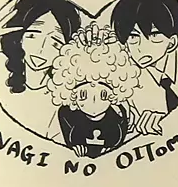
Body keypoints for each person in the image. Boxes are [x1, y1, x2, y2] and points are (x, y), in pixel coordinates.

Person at [0, 0, 82, 138]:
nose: (41, 49)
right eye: (33, 35)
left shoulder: (68, 96)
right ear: (19, 37)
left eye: (55, 42)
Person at [111, 0, 178, 134]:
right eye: (133, 37)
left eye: (154, 35)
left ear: (172, 42)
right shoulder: (128, 81)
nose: (141, 47)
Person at [47, 24, 140, 158]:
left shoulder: (120, 115)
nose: (94, 102)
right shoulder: (66, 115)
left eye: (103, 95)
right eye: (83, 95)